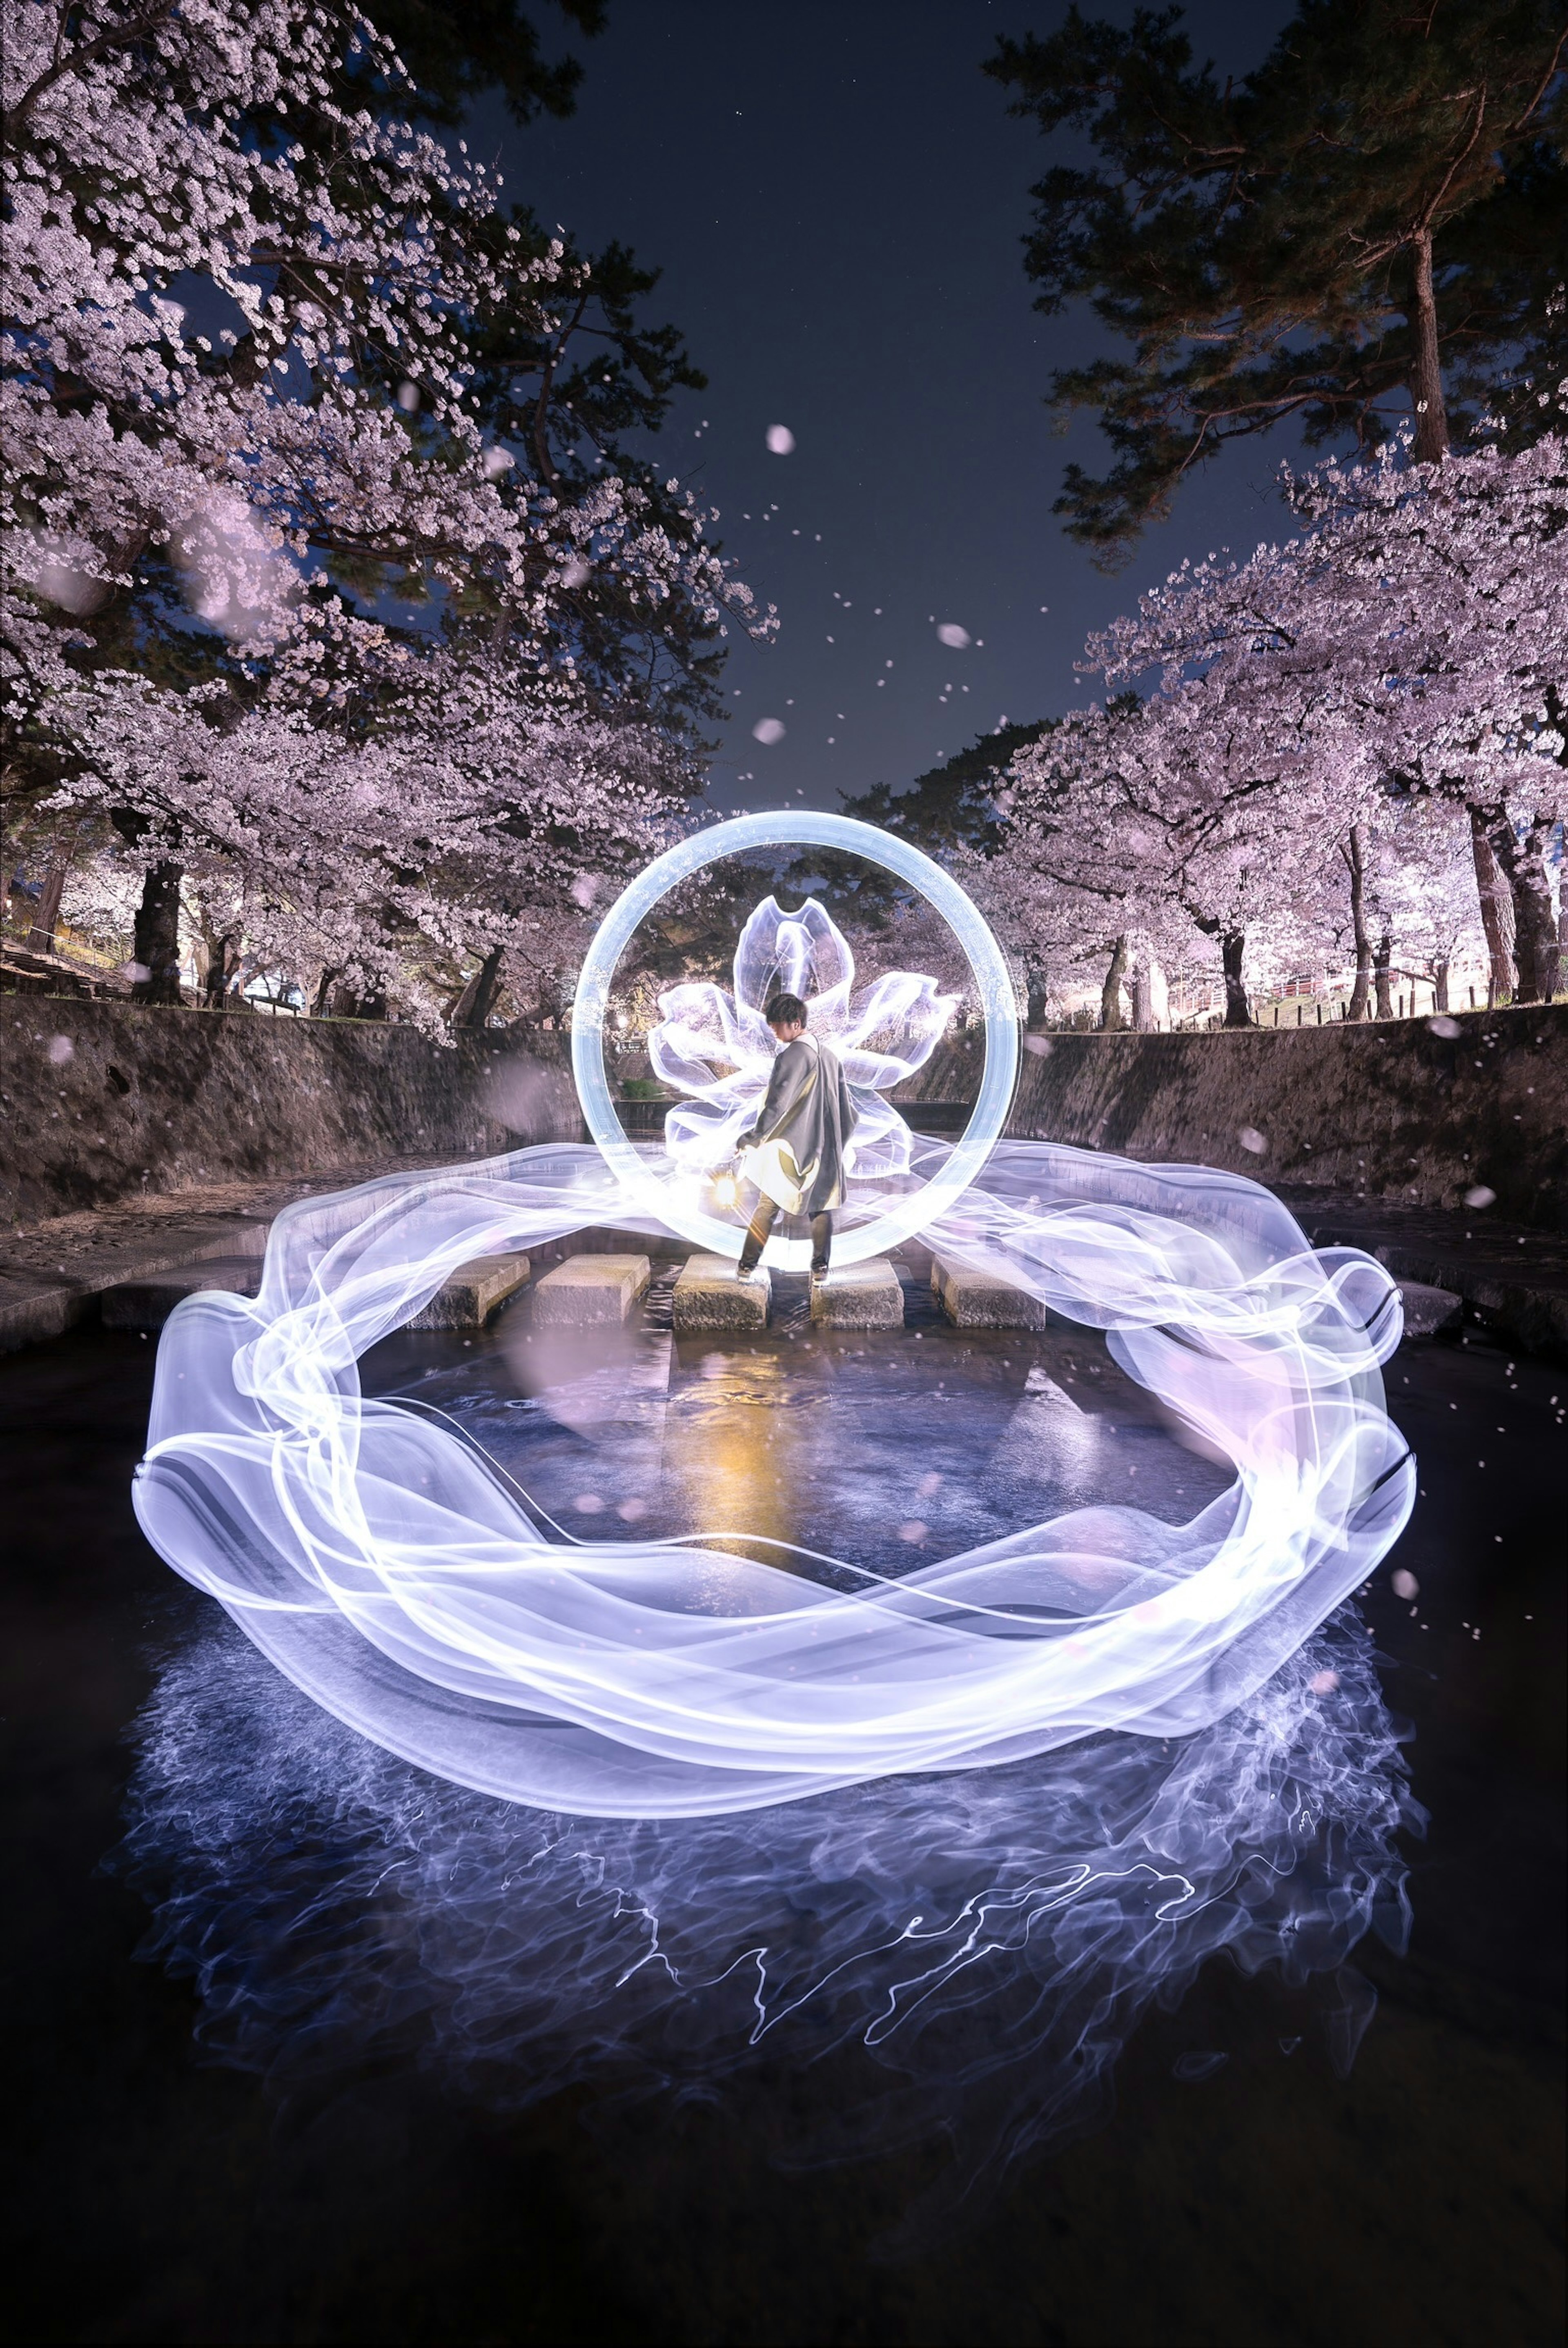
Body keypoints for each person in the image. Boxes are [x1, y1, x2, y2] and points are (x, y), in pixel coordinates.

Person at [734, 991, 858, 1279]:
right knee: (821, 1206)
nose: (774, 1030)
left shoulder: (791, 1056)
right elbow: (847, 1109)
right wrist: (837, 1141)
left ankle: (746, 1267)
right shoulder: (829, 1057)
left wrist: (753, 1138)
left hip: (790, 1145)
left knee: (767, 1205)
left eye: (778, 1024)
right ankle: (820, 1269)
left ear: (796, 1023)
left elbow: (776, 1104)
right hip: (824, 1146)